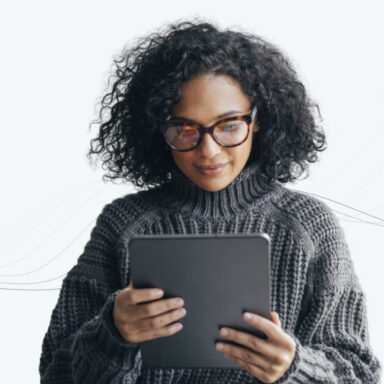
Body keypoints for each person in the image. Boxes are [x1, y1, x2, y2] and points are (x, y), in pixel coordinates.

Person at [39, 19, 382, 383]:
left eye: (229, 125)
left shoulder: (309, 227)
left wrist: (295, 369)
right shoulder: (123, 225)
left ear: (258, 120)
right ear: (159, 128)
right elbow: (54, 373)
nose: (208, 150)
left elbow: (359, 372)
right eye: (185, 129)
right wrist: (112, 334)